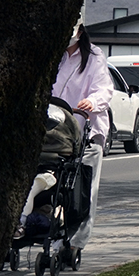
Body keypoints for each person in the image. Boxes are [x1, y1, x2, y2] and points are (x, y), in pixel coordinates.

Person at [51, 20, 112, 256]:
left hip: (85, 131)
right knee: (50, 185)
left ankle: (76, 241)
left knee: (83, 188)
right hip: (54, 133)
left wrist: (92, 102)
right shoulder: (54, 55)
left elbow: (104, 89)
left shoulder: (94, 56)